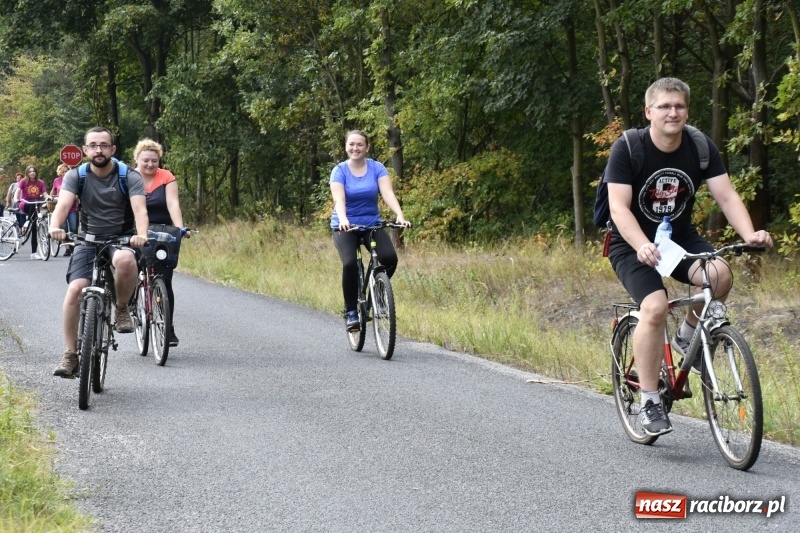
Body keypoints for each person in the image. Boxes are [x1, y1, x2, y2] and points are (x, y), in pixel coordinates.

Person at [605, 77, 773, 436]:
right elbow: (618, 208)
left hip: (677, 238)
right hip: (630, 241)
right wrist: (640, 245)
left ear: (687, 110)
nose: (672, 112)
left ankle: (687, 336)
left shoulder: (699, 145)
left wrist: (750, 234)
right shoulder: (628, 148)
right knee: (654, 307)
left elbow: (726, 197)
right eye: (664, 106)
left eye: (679, 106)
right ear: (649, 112)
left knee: (720, 274)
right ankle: (650, 400)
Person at [49, 127, 149, 378]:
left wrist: (142, 234)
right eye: (93, 145)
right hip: (88, 240)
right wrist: (54, 226)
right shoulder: (77, 176)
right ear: (85, 151)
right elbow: (63, 205)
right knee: (75, 290)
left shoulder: (129, 176)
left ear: (112, 150)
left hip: (120, 237)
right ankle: (71, 354)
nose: (98, 150)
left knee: (126, 260)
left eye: (104, 145)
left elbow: (140, 211)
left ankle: (122, 307)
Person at [330, 130, 410, 330]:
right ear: (346, 147)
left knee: (390, 258)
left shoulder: (377, 168)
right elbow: (339, 199)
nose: (355, 148)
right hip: (344, 225)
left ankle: (377, 294)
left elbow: (387, 193)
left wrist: (399, 215)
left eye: (359, 145)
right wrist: (344, 219)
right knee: (349, 263)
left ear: (366, 147)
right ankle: (351, 312)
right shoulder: (339, 171)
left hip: (371, 224)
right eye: (351, 144)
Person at [133, 138, 190, 347]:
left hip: (162, 231)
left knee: (165, 278)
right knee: (130, 267)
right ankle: (131, 302)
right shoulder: (129, 177)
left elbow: (173, 204)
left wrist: (180, 228)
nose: (150, 164)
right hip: (134, 231)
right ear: (137, 159)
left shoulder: (166, 177)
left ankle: (168, 325)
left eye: (154, 161)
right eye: (145, 160)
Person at [13, 165, 50, 259]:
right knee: (33, 205)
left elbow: (45, 194)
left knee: (34, 229)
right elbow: (17, 191)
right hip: (25, 204)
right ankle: (28, 220)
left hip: (35, 206)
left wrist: (48, 197)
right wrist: (15, 198)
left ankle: (34, 253)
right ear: (27, 173)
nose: (32, 173)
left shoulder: (41, 182)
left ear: (36, 172)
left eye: (34, 171)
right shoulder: (23, 181)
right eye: (30, 171)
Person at [50, 163, 79, 256]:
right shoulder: (57, 181)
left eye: (66, 171)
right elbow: (53, 191)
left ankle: (74, 246)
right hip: (61, 207)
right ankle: (67, 248)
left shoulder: (73, 180)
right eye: (62, 172)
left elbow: (77, 193)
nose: (64, 173)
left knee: (74, 228)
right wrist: (50, 198)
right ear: (59, 172)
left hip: (72, 208)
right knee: (64, 228)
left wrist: (75, 197)